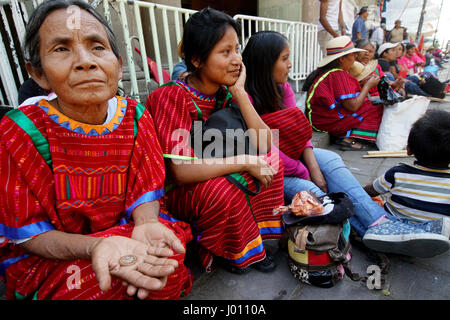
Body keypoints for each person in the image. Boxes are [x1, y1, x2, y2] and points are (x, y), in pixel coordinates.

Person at [0, 0, 193, 300]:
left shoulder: (135, 116)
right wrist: (95, 246)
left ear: (117, 63)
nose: (85, 61)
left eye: (98, 47)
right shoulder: (20, 132)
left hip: (126, 230)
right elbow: (29, 233)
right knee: (91, 285)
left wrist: (145, 223)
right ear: (37, 73)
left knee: (164, 260)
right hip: (57, 254)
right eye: (61, 49)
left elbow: (146, 189)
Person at [242, 30, 449, 258]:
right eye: (284, 59)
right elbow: (266, 150)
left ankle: (382, 223)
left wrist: (314, 169)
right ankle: (370, 230)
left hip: (292, 155)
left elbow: (299, 134)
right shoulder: (245, 99)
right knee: (312, 191)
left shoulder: (284, 89)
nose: (291, 64)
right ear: (264, 63)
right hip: (267, 167)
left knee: (331, 160)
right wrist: (306, 172)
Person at [146, 8, 285, 275]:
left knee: (273, 160)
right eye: (225, 52)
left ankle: (258, 237)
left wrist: (240, 93)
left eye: (237, 49)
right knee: (223, 190)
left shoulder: (226, 91)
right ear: (197, 59)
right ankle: (233, 250)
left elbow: (266, 144)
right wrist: (245, 161)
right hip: (177, 190)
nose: (237, 60)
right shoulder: (172, 97)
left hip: (216, 166)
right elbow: (181, 171)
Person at [363, 110, 450, 257]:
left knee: (372, 203)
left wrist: (360, 193)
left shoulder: (397, 173)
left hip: (394, 219)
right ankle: (432, 233)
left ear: (408, 149)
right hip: (435, 225)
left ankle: (391, 232)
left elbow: (371, 191)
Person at [303, 36, 382, 151]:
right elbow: (353, 106)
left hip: (318, 119)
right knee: (375, 106)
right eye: (352, 55)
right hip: (324, 122)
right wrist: (367, 86)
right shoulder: (339, 75)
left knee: (369, 103)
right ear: (342, 59)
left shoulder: (331, 72)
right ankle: (349, 138)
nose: (354, 58)